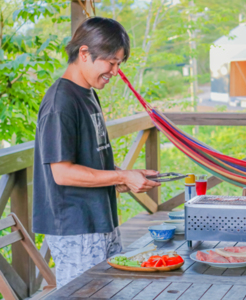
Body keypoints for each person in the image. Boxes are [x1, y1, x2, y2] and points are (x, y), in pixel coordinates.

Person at [32, 17, 160, 288]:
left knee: (110, 290)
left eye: (118, 64)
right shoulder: (61, 102)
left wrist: (125, 176)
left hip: (100, 219)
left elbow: (89, 159)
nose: (115, 71)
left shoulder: (87, 93)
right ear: (85, 53)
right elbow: (63, 173)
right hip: (76, 225)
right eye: (111, 62)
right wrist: (121, 178)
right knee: (86, 294)